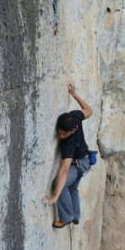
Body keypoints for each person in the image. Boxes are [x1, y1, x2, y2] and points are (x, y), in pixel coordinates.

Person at [44, 84, 94, 228]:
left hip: (79, 164)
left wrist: (54, 196)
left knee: (60, 184)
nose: (60, 136)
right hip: (86, 161)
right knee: (72, 188)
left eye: (64, 134)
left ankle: (66, 217)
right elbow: (89, 111)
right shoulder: (75, 117)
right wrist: (74, 95)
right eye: (59, 132)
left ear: (73, 130)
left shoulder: (68, 144)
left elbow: (64, 170)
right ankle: (76, 216)